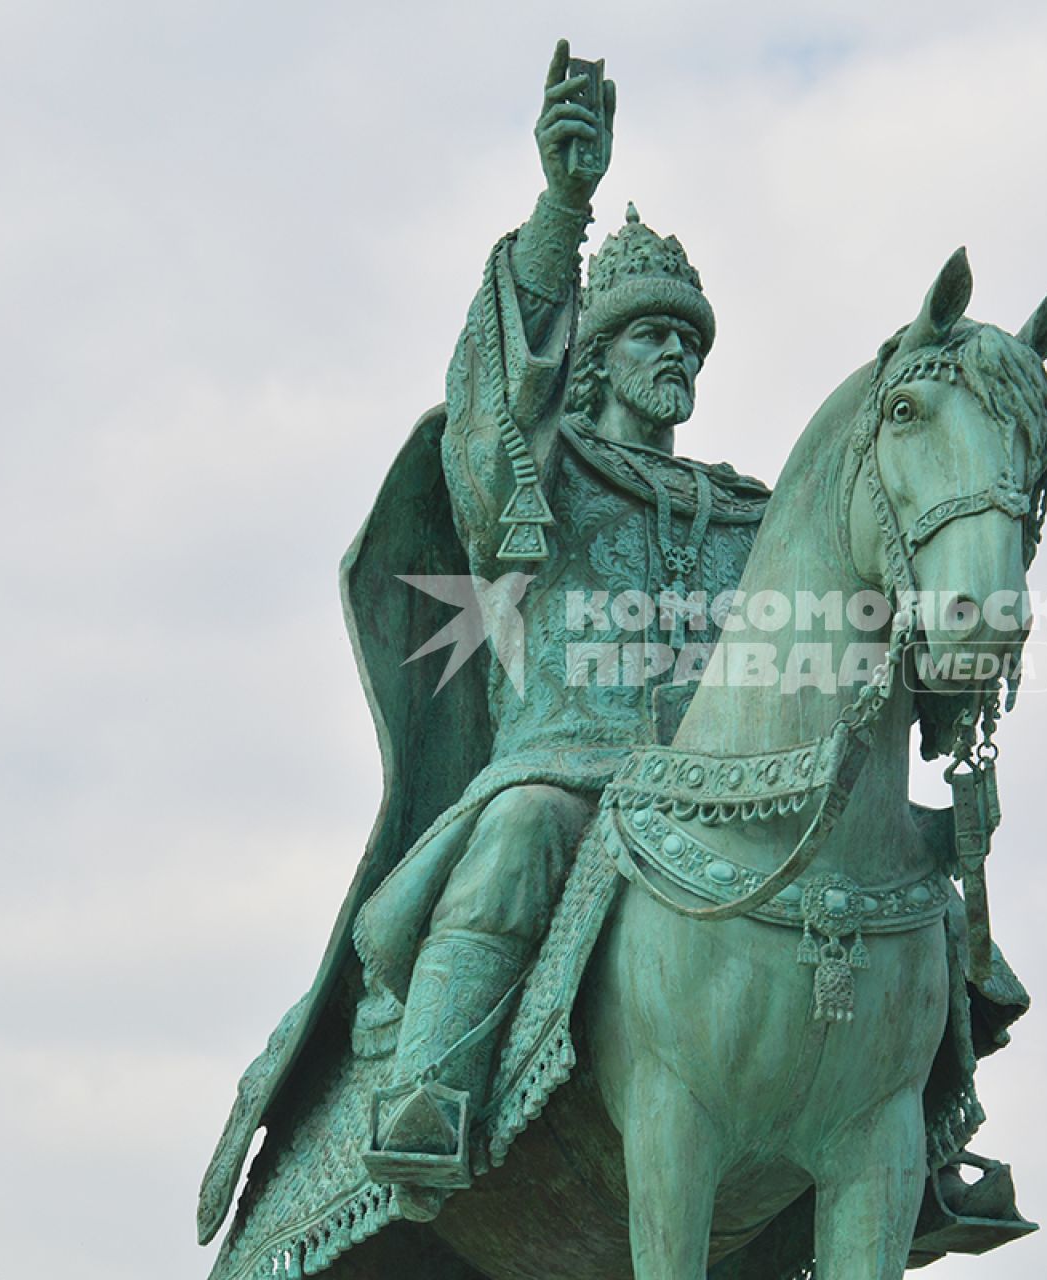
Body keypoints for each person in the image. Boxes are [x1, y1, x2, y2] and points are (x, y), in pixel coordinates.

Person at [346, 40, 770, 1217]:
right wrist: (561, 209)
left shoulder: (751, 508)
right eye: (650, 333)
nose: (677, 349)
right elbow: (494, 411)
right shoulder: (548, 473)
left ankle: (930, 1129)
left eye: (690, 336)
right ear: (596, 359)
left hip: (723, 792)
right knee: (526, 827)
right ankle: (428, 1089)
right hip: (569, 766)